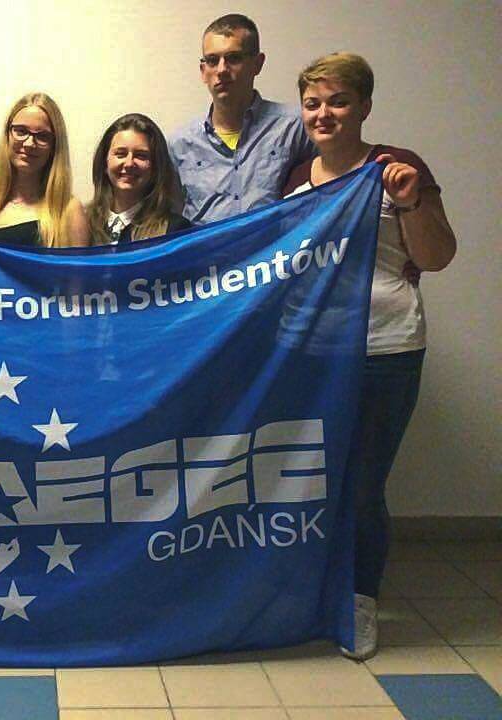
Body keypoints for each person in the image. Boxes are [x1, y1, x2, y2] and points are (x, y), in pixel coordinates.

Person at [283, 52, 457, 661]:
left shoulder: (395, 168)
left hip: (386, 347)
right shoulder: (296, 179)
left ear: (364, 107)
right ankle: (316, 591)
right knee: (312, 481)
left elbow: (436, 257)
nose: (324, 114)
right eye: (313, 104)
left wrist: (408, 204)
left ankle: (361, 600)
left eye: (337, 101)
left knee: (362, 485)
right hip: (314, 354)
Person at [169, 14, 315, 225]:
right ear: (203, 71)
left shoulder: (295, 127)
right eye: (212, 61)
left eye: (233, 58)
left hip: (274, 245)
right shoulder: (179, 144)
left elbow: (337, 177)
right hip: (207, 247)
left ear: (257, 64)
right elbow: (169, 218)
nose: (222, 70)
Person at [0, 92, 90, 249]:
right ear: (7, 135)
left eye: (42, 136)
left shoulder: (69, 210)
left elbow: (77, 266)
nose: (29, 144)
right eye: (21, 131)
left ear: (54, 146)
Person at [87, 113, 190, 245]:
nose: (129, 163)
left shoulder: (176, 231)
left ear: (156, 167)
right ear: (104, 163)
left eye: (141, 156)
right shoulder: (83, 224)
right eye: (120, 154)